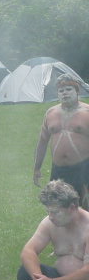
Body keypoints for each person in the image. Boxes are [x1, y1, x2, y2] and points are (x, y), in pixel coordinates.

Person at [17, 179, 89, 280]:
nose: (50, 216)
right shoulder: (50, 223)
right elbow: (28, 252)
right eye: (48, 211)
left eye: (55, 212)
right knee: (24, 273)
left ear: (72, 207)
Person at [33, 74, 89, 209]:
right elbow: (42, 142)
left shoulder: (87, 112)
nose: (65, 93)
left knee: (86, 210)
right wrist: (37, 168)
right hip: (58, 170)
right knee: (58, 209)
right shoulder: (50, 113)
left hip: (83, 168)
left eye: (68, 89)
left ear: (77, 91)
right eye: (61, 91)